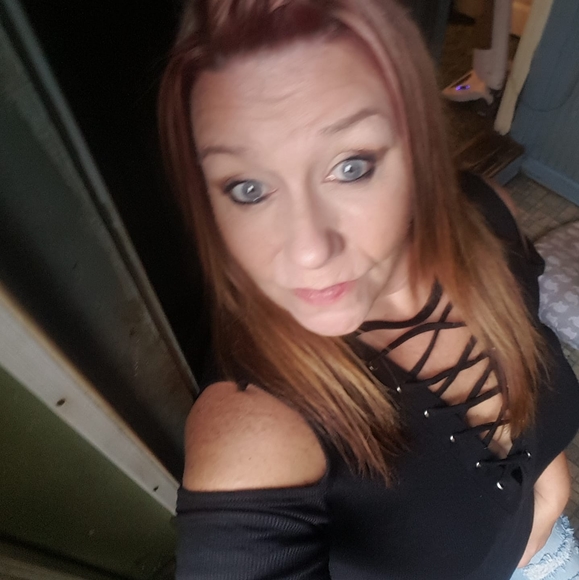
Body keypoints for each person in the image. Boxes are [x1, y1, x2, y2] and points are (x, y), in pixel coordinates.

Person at [158, 0, 579, 578]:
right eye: (248, 189)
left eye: (351, 166)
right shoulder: (253, 430)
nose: (308, 250)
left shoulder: (487, 219)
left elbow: (530, 355)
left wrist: (549, 496)